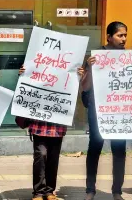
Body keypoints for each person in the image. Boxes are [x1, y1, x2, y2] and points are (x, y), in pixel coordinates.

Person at [81, 21, 132, 200]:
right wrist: (89, 69)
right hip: (99, 111)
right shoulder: (96, 57)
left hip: (121, 112)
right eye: (119, 35)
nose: (123, 39)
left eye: (125, 35)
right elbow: (85, 87)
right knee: (94, 148)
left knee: (119, 150)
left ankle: (117, 191)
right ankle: (90, 190)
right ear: (109, 37)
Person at [17, 65, 85, 200]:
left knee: (53, 159)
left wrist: (78, 77)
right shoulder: (38, 64)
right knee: (40, 156)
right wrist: (23, 75)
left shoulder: (67, 68)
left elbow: (74, 92)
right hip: (39, 123)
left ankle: (49, 191)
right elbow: (26, 88)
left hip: (57, 124)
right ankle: (38, 191)